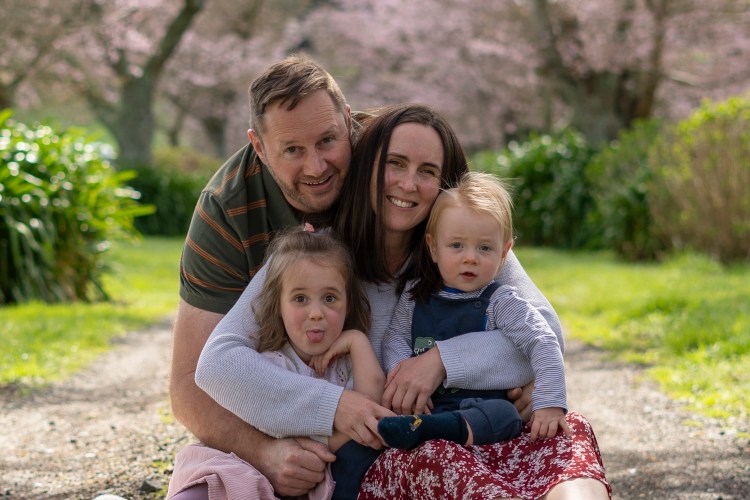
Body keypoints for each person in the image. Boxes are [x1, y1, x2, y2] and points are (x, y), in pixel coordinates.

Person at [171, 55, 562, 498]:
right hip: (299, 414)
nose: (317, 167)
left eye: (327, 141)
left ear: (352, 130)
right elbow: (202, 372)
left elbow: (543, 332)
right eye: (293, 149)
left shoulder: (434, 194)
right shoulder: (271, 233)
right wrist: (280, 442)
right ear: (260, 148)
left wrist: (443, 362)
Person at [167, 227, 385, 499]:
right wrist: (344, 435)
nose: (316, 313)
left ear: (348, 304)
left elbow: (372, 404)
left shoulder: (346, 366)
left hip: (316, 484)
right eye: (300, 299)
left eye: (330, 298)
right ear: (278, 306)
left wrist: (356, 341)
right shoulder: (269, 365)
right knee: (222, 482)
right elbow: (297, 436)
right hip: (265, 475)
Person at [377, 171, 569, 453]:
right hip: (430, 405)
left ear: (504, 254)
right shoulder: (414, 296)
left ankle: (440, 431)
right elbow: (395, 337)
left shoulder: (502, 301)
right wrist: (399, 374)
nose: (470, 257)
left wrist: (550, 401)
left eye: (485, 248)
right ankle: (424, 427)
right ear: (433, 247)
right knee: (398, 417)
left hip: (482, 411)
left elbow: (542, 340)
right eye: (456, 245)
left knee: (506, 415)